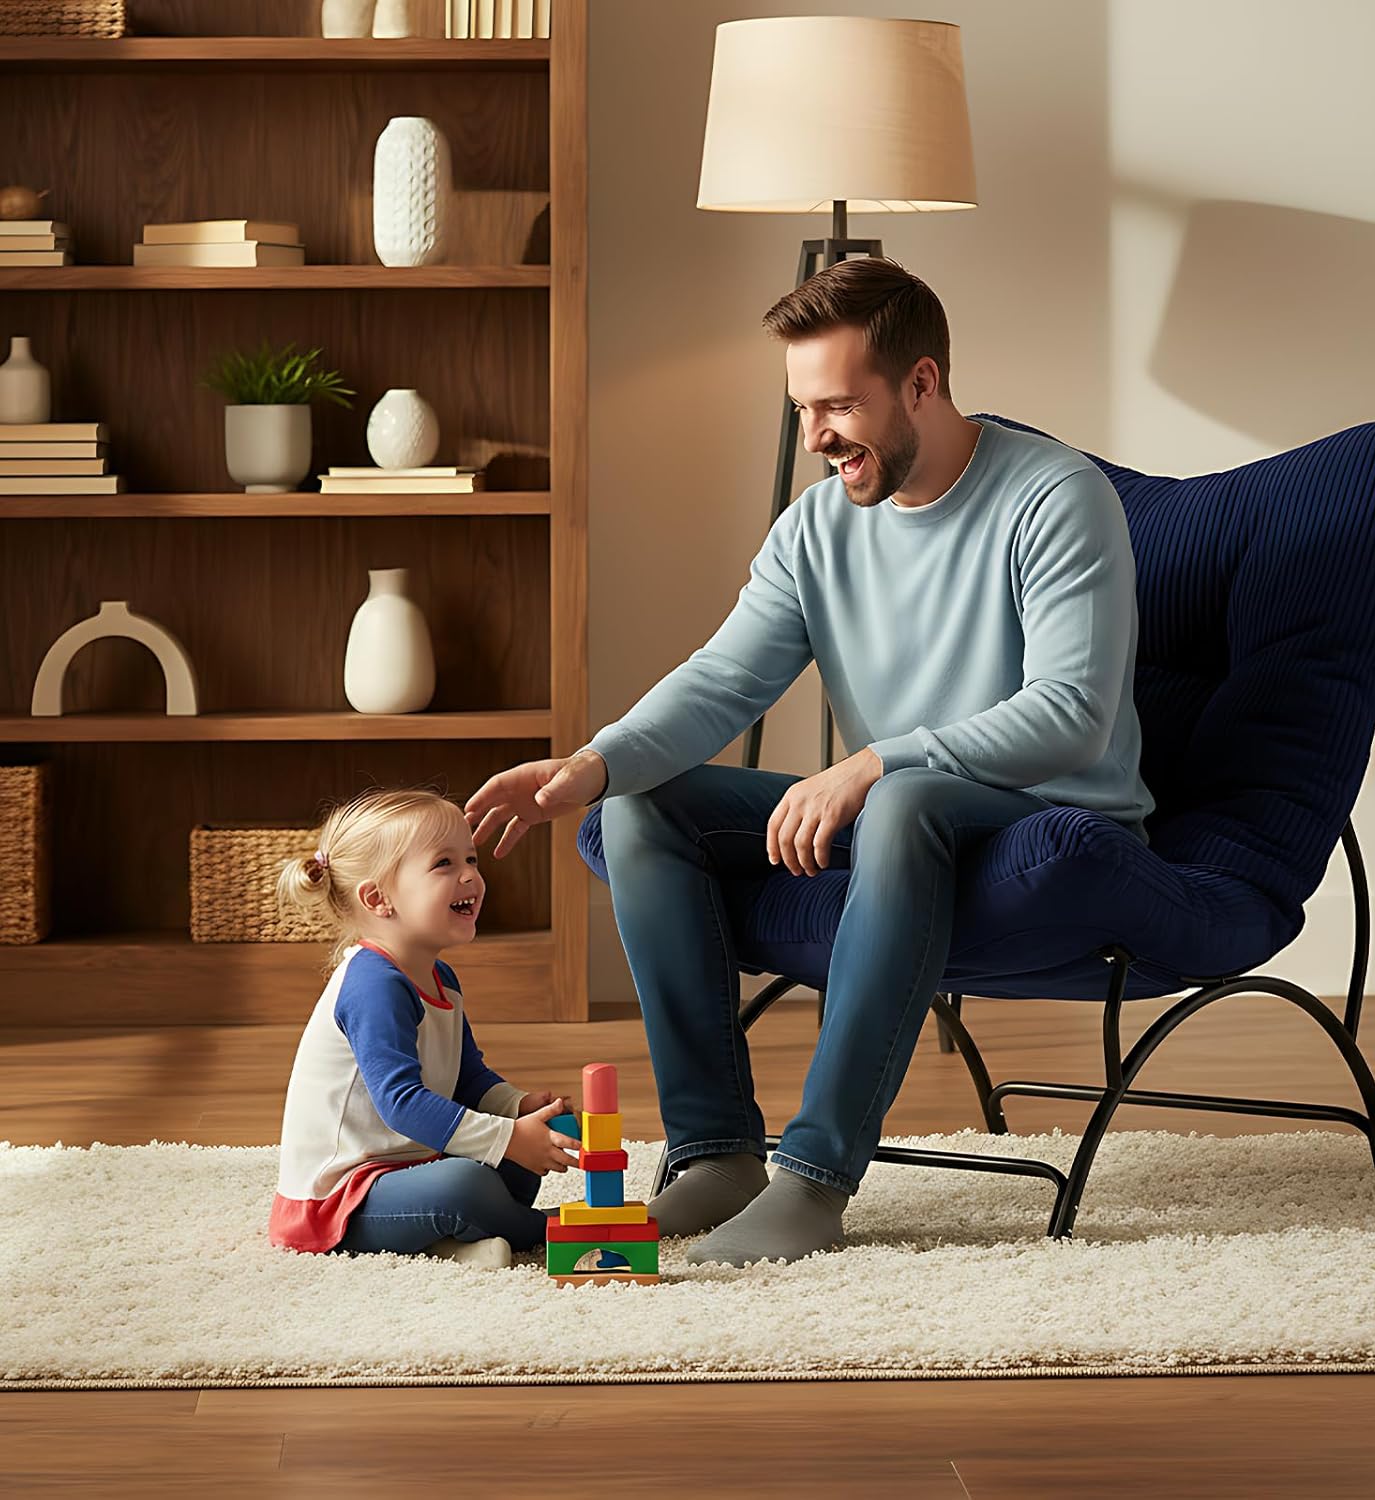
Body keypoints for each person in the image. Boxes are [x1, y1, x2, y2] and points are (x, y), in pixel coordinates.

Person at [465, 257, 1154, 1268]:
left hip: (1054, 815)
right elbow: (722, 682)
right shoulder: (818, 527)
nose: (818, 435)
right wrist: (594, 764)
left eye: (840, 405)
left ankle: (816, 1180)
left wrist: (874, 763)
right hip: (899, 810)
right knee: (644, 810)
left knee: (906, 799)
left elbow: (1073, 716)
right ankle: (717, 1156)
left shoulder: (1054, 496)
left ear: (922, 382)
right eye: (802, 408)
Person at [269, 787, 579, 1269]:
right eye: (445, 864)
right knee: (468, 1185)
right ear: (378, 898)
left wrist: (517, 1107)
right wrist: (506, 1137)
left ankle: (453, 1245)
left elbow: (467, 1077)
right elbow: (402, 1104)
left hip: (412, 1166)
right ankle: (549, 1230)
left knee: (516, 1162)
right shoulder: (374, 984)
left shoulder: (440, 978)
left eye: (472, 859)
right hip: (342, 1200)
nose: (471, 876)